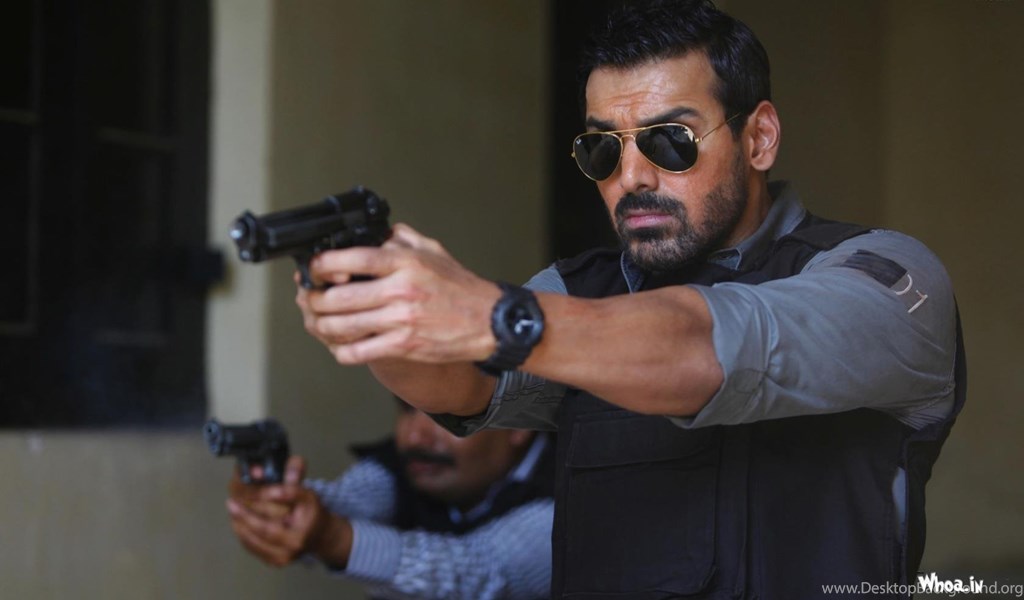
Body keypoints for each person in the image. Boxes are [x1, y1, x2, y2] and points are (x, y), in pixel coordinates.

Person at [292, 1, 965, 597]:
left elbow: (709, 344)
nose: (632, 176)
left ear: (758, 138)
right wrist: (373, 313)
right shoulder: (576, 292)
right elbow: (464, 384)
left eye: (669, 140)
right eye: (601, 151)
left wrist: (491, 315)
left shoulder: (884, 276)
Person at [225, 397, 554, 600]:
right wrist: (281, 502)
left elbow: (480, 575)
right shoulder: (410, 464)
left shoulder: (568, 496)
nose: (415, 436)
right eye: (407, 407)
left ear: (518, 422)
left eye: (447, 414)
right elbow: (351, 500)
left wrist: (333, 537)